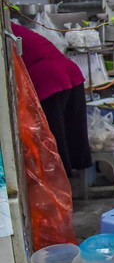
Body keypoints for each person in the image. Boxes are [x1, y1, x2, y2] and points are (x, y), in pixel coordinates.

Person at [12, 23, 91, 177]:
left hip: (48, 79)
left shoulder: (6, 32)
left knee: (53, 136)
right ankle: (72, 184)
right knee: (69, 131)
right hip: (69, 70)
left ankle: (61, 186)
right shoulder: (14, 27)